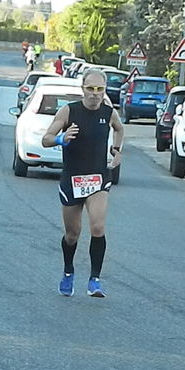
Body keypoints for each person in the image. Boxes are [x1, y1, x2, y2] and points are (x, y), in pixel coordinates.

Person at [41, 68, 124, 298]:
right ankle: (68, 272)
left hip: (98, 178)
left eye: (100, 89)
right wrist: (61, 138)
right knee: (72, 234)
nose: (95, 94)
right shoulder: (69, 111)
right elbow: (46, 139)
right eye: (91, 89)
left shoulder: (109, 113)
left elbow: (119, 129)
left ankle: (95, 280)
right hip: (72, 179)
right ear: (83, 89)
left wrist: (117, 150)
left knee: (97, 226)